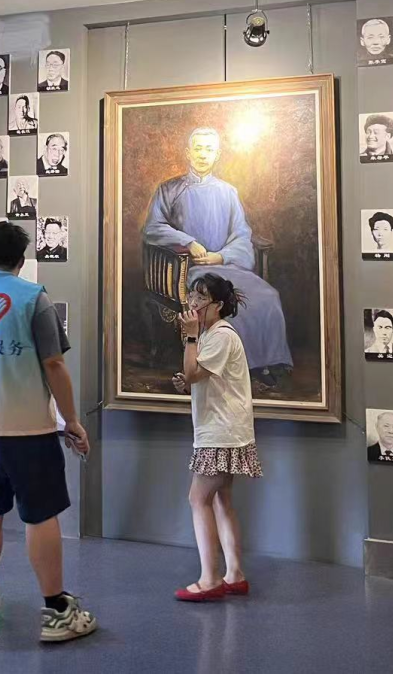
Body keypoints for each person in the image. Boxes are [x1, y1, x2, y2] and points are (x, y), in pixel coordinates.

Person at [0, 221, 96, 642]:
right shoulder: (33, 297)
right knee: (40, 514)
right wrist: (71, 420)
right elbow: (54, 364)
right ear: (22, 259)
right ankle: (56, 611)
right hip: (29, 428)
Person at [144, 127, 292, 381]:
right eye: (198, 148)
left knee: (267, 296)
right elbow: (153, 228)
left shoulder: (228, 192)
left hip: (226, 265)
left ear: (217, 154)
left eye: (209, 149)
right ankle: (231, 365)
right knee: (221, 297)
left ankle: (265, 362)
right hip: (188, 270)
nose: (203, 154)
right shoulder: (169, 189)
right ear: (188, 153)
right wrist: (188, 242)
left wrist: (221, 256)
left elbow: (241, 234)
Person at [169, 274, 260, 602]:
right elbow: (197, 378)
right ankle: (234, 574)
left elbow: (193, 372)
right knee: (221, 500)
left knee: (198, 499)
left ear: (218, 305)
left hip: (220, 432)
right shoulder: (212, 335)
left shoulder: (220, 335)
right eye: (192, 296)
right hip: (225, 429)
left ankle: (209, 579)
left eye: (201, 298)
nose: (193, 303)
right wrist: (188, 380)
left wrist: (191, 337)